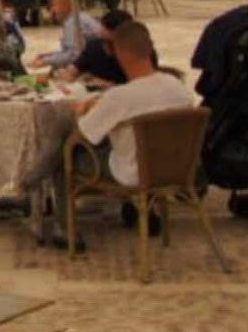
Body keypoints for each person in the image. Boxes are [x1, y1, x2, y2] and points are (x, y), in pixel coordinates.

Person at [15, 21, 193, 247]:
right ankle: (31, 180)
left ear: (119, 53)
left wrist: (82, 110)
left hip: (132, 173)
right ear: (150, 49)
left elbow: (81, 136)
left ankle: (61, 225)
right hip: (174, 169)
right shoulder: (177, 87)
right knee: (76, 139)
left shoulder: (120, 97)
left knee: (65, 152)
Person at [58, 8, 141, 87]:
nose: (100, 31)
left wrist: (108, 85)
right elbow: (73, 69)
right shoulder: (94, 47)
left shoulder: (136, 52)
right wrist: (71, 76)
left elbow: (141, 85)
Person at [31, 0, 103, 70]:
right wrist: (49, 55)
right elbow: (72, 50)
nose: (52, 10)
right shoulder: (82, 17)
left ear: (67, 6)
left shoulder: (73, 22)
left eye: (54, 5)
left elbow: (74, 55)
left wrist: (45, 61)